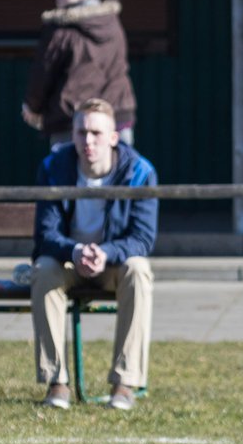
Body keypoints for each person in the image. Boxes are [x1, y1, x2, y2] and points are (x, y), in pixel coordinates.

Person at [30, 97, 156, 411]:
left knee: (139, 270)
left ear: (114, 137)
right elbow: (45, 235)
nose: (88, 140)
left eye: (96, 133)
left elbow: (142, 238)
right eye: (81, 132)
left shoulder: (140, 172)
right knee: (43, 269)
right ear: (72, 135)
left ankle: (124, 382)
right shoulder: (52, 168)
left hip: (113, 263)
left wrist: (106, 252)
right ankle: (56, 382)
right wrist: (75, 251)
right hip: (67, 261)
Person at [22, 0, 137, 147]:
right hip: (118, 116)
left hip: (72, 121)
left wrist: (32, 107)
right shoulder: (113, 24)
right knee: (120, 174)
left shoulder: (61, 29)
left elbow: (43, 72)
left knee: (66, 175)